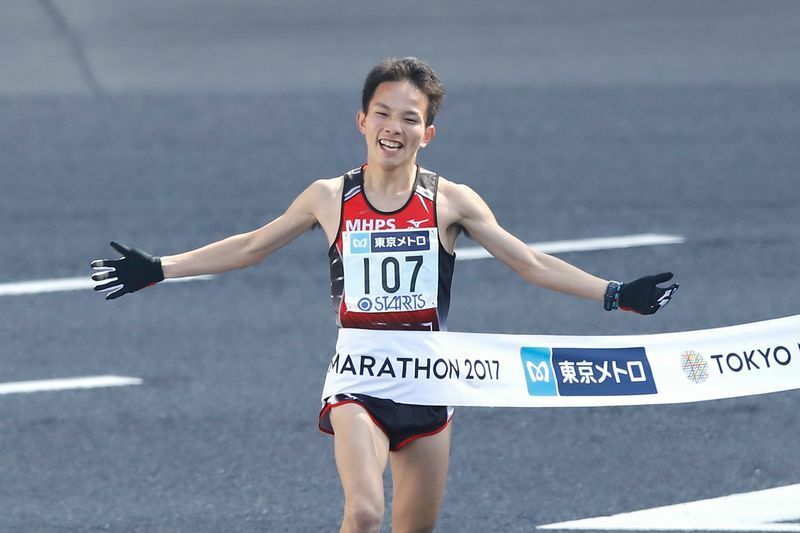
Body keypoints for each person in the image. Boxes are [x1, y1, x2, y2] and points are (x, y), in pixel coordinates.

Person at [91, 57, 678, 533]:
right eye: (382, 113)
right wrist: (162, 269)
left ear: (429, 132)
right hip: (359, 378)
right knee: (365, 512)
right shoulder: (329, 197)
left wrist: (616, 292)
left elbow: (526, 262)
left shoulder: (451, 201)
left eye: (409, 117)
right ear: (362, 121)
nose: (393, 127)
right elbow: (252, 246)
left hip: (430, 380)